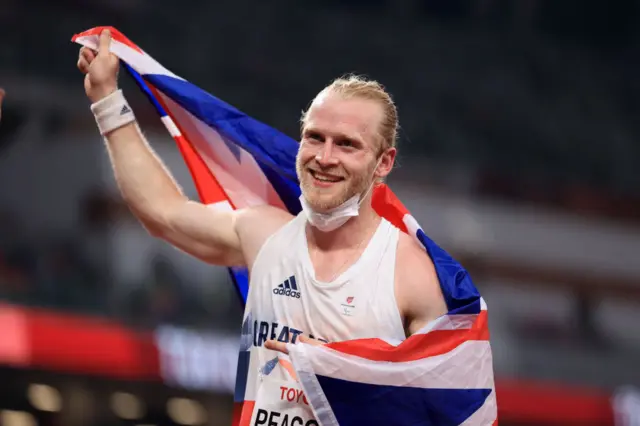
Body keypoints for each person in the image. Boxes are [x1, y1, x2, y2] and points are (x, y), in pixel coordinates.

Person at [77, 30, 447, 424]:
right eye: (314, 138)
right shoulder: (266, 234)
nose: (324, 157)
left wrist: (350, 374)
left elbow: (447, 408)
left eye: (346, 145)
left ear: (384, 163)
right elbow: (163, 213)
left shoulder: (411, 274)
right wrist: (107, 99)